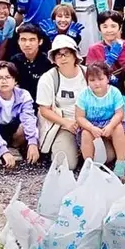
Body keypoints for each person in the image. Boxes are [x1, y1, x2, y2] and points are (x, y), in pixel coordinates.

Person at [36, 35, 87, 170]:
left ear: (75, 55)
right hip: (63, 125)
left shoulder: (87, 73)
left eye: (67, 53)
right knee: (66, 164)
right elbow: (44, 110)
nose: (63, 58)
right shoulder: (48, 78)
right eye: (58, 55)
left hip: (88, 123)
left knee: (107, 156)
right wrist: (66, 123)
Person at [0, 61, 40, 169]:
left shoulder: (23, 95)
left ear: (15, 80)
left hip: (12, 129)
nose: (4, 81)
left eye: (8, 77)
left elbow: (29, 118)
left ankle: (13, 148)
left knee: (24, 126)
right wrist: (2, 150)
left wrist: (33, 142)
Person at [75, 61, 125, 177]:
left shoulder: (114, 92)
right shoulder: (84, 95)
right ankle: (88, 165)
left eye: (100, 79)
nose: (97, 83)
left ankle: (121, 162)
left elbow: (119, 113)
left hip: (110, 122)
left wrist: (110, 126)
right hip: (91, 124)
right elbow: (79, 117)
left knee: (118, 128)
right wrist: (91, 128)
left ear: (108, 78)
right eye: (92, 80)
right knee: (85, 133)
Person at [85, 11, 125, 76]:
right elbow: (91, 74)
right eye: (105, 27)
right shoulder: (93, 49)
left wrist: (123, 62)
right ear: (99, 28)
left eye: (113, 26)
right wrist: (108, 63)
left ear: (120, 27)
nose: (109, 30)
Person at [8, 23, 51, 104]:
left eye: (32, 40)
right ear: (18, 42)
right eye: (23, 39)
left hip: (43, 103)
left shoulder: (48, 62)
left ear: (40, 41)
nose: (27, 44)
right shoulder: (14, 61)